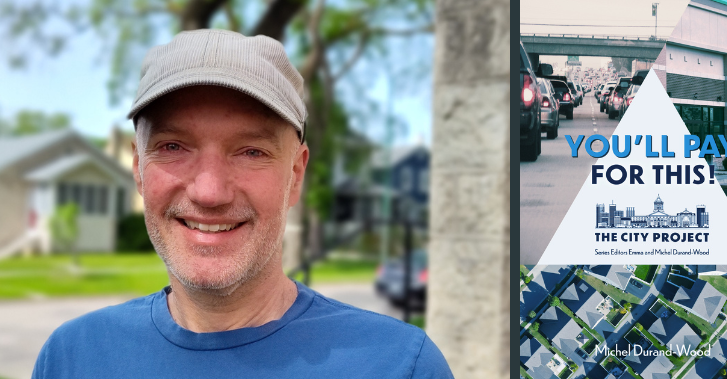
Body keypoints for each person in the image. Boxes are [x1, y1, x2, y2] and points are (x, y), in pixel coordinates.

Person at [32, 29, 453, 379]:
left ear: (295, 175)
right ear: (138, 170)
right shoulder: (72, 358)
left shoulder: (399, 366)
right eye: (173, 146)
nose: (209, 192)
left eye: (251, 151)